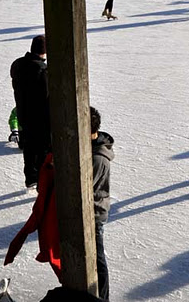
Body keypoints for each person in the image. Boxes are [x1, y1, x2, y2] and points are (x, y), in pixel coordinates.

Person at [10, 35, 52, 187]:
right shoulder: (43, 70)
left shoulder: (17, 64)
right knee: (42, 150)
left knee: (28, 148)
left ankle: (30, 178)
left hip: (23, 113)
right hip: (41, 118)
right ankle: (42, 181)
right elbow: (47, 96)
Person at [90, 107, 114, 300]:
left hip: (94, 214)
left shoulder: (97, 158)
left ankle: (103, 298)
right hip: (89, 211)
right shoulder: (90, 148)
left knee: (98, 261)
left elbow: (85, 188)